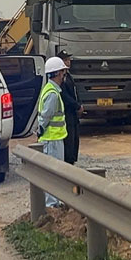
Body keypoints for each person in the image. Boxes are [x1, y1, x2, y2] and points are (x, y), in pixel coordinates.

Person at [36, 56, 69, 207]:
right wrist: (41, 132)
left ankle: (54, 202)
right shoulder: (52, 94)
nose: (64, 75)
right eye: (63, 72)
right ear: (56, 73)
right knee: (53, 173)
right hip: (51, 139)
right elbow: (46, 118)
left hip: (54, 138)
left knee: (56, 173)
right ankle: (52, 205)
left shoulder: (50, 90)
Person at [58, 50, 81, 164]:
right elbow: (65, 96)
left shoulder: (69, 76)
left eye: (69, 59)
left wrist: (79, 105)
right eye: (66, 60)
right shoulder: (61, 78)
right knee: (69, 139)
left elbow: (75, 92)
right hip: (67, 113)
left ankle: (72, 159)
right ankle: (69, 160)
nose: (69, 62)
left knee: (75, 138)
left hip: (73, 113)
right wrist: (76, 106)